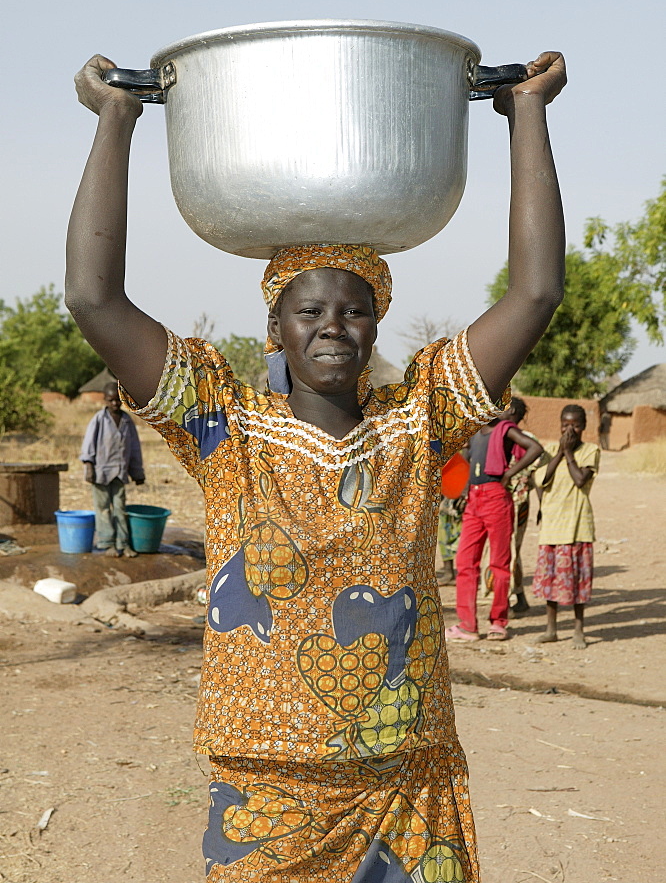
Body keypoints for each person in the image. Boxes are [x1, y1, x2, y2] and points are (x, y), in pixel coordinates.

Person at [66, 48, 566, 883]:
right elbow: (93, 300)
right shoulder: (226, 428)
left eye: (356, 311)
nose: (335, 326)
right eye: (311, 310)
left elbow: (536, 293)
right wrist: (117, 118)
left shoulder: (420, 418)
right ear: (276, 331)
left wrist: (528, 116)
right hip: (267, 779)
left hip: (405, 774)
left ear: (376, 328)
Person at [445, 415, 543, 642]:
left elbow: (535, 448)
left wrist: (509, 473)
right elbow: (467, 462)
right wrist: (463, 489)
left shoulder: (505, 429)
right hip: (474, 499)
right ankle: (468, 625)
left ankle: (498, 623)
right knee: (465, 561)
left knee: (499, 563)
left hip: (496, 497)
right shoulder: (475, 431)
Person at [532, 405, 599, 649]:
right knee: (550, 583)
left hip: (577, 526)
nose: (569, 429)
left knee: (578, 583)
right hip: (552, 527)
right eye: (565, 424)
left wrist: (569, 453)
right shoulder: (550, 450)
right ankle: (551, 629)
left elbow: (580, 480)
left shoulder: (591, 451)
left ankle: (578, 629)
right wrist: (560, 453)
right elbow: (540, 479)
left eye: (575, 424)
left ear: (584, 426)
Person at [482, 396, 543, 615]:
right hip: (496, 500)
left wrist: (542, 506)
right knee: (503, 550)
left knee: (509, 550)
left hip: (517, 502)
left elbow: (538, 475)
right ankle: (516, 596)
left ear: (512, 410)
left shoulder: (524, 438)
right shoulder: (496, 434)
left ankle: (506, 599)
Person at [80, 380, 145, 557]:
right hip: (100, 472)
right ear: (105, 400)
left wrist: (137, 473)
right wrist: (89, 466)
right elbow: (88, 445)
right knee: (102, 508)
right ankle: (106, 543)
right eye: (111, 400)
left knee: (120, 508)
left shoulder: (126, 421)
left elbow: (134, 449)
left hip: (120, 472)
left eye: (118, 400)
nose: (115, 403)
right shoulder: (99, 420)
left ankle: (123, 544)